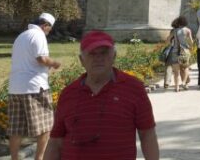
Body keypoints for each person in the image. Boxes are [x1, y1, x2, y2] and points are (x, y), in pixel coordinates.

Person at [45, 31, 159, 160]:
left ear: (114, 56)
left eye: (104, 52)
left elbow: (147, 134)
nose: (98, 58)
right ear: (82, 60)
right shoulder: (68, 94)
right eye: (92, 53)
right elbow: (55, 142)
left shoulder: (134, 88)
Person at [7, 12, 61, 160]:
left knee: (16, 128)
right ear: (45, 25)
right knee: (46, 126)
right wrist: (54, 63)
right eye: (50, 29)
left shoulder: (21, 36)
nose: (49, 32)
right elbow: (41, 58)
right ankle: (40, 158)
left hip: (15, 88)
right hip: (34, 87)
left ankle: (14, 158)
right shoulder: (39, 35)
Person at [166, 16, 194, 91]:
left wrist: (170, 44)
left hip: (175, 51)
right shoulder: (188, 30)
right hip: (185, 51)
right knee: (185, 68)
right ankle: (184, 82)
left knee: (176, 71)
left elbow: (168, 39)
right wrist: (190, 47)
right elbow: (191, 42)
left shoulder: (174, 31)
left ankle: (176, 87)